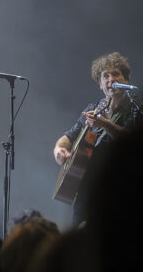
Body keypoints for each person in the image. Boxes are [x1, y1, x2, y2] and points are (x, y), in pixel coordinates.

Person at [53, 52, 142, 224]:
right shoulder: (93, 108)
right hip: (87, 190)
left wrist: (104, 124)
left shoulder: (135, 109)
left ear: (126, 80)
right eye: (105, 76)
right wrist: (59, 149)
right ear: (100, 85)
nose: (111, 79)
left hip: (119, 189)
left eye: (116, 74)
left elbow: (133, 143)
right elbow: (69, 135)